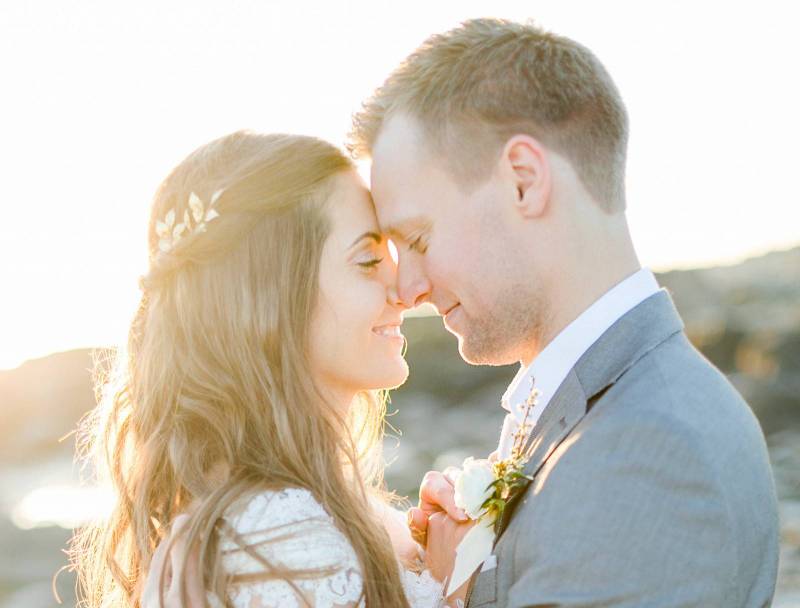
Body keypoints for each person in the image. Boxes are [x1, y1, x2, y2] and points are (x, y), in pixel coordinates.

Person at [349, 18, 780, 607]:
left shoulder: (651, 453)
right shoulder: (601, 411)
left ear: (524, 182)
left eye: (418, 240)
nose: (409, 288)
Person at [70, 131, 453, 607]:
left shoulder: (294, 513)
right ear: (272, 300)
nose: (405, 287)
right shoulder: (273, 539)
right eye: (369, 259)